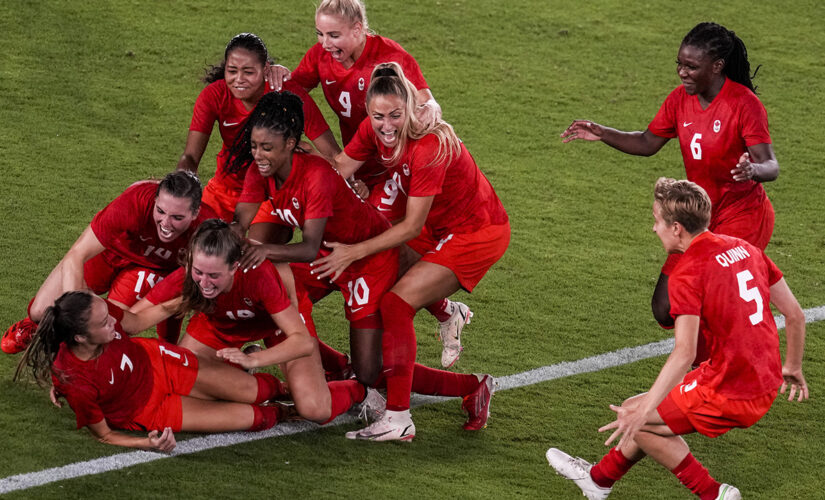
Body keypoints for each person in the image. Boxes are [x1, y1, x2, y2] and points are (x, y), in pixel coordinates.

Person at [546, 178, 807, 500]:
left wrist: (644, 413)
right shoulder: (745, 248)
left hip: (730, 388)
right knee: (633, 409)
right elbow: (795, 314)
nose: (654, 229)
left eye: (657, 221)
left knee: (637, 420)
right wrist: (792, 366)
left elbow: (684, 353)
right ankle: (599, 480)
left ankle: (715, 495)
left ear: (677, 228)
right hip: (763, 379)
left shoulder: (688, 272)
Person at [311, 62, 509, 441]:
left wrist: (351, 251)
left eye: (395, 116)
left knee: (396, 305)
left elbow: (410, 228)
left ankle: (399, 419)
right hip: (438, 225)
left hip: (476, 231)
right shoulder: (375, 128)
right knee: (386, 289)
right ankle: (467, 368)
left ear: (410, 109)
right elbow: (340, 168)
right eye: (378, 116)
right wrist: (297, 157)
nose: (386, 125)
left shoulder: (429, 146)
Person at [266, 1, 469, 366]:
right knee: (375, 258)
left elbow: (425, 102)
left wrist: (429, 110)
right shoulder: (320, 57)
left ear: (359, 29)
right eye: (320, 34)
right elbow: (293, 93)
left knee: (381, 256)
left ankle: (384, 379)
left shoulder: (390, 57)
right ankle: (440, 317)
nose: (325, 43)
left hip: (393, 173)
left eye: (335, 34)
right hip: (353, 164)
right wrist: (328, 158)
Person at [560, 22, 779, 359]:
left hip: (742, 219)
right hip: (698, 218)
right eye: (680, 64)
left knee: (713, 301)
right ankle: (711, 367)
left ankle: (712, 377)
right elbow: (648, 142)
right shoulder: (680, 101)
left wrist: (752, 170)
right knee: (665, 305)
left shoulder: (743, 104)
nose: (682, 72)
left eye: (691, 66)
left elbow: (771, 166)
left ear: (717, 65)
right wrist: (604, 132)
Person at [133, 219, 370, 425]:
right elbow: (134, 318)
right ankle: (254, 379)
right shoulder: (190, 275)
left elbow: (303, 343)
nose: (203, 282)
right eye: (198, 272)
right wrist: (99, 313)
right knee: (184, 385)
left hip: (276, 321)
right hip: (221, 322)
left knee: (314, 408)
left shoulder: (259, 274)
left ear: (235, 267)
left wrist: (254, 358)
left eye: (214, 275)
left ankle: (361, 390)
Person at [14, 291, 289, 451]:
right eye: (104, 323)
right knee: (258, 417)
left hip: (159, 362)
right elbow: (104, 435)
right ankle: (288, 411)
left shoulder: (95, 313)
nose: (114, 320)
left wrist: (193, 297)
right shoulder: (76, 382)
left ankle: (291, 390)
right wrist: (148, 443)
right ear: (81, 338)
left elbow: (136, 320)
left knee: (262, 390)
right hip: (149, 410)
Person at [2, 171, 215, 354]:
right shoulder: (135, 201)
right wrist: (75, 317)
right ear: (155, 199)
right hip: (111, 251)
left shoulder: (208, 230)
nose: (166, 224)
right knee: (39, 310)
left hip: (150, 267)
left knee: (112, 330)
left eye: (177, 217)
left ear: (195, 212)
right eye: (160, 211)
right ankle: (36, 325)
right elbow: (77, 254)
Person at [177, 32, 340, 222]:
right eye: (232, 71)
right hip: (225, 188)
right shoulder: (214, 95)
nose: (239, 79)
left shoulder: (287, 95)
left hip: (272, 194)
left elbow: (332, 153)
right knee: (200, 245)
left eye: (248, 72)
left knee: (256, 247)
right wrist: (181, 186)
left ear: (265, 70)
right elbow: (190, 156)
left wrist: (350, 182)